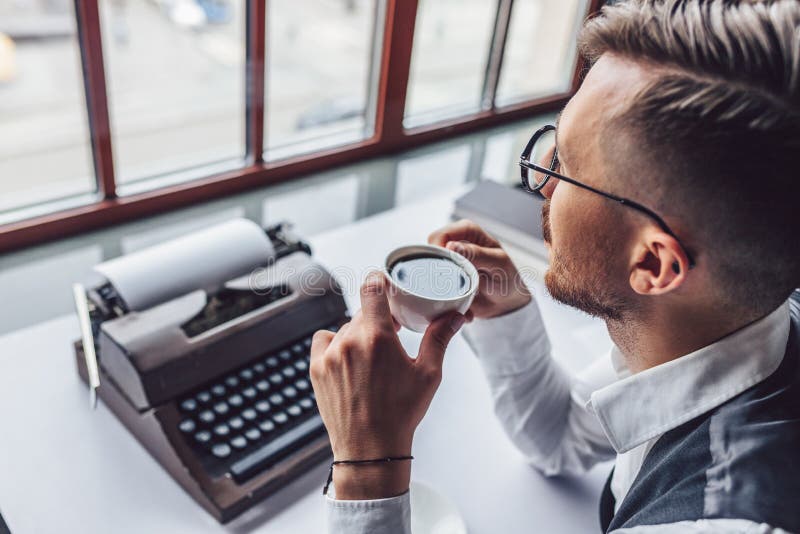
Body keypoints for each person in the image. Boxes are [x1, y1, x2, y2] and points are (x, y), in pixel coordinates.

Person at [309, 0, 800, 532]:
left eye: (567, 164)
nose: (541, 180)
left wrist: (364, 471)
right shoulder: (714, 330)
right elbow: (562, 439)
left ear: (655, 264)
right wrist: (509, 314)